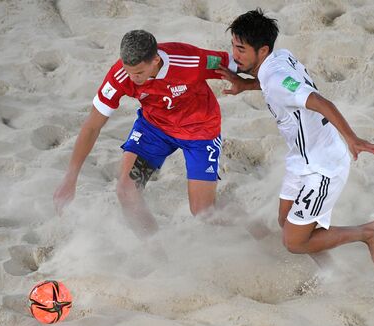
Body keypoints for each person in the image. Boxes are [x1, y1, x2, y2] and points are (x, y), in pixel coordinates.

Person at [217, 9, 374, 272]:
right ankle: (330, 272)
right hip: (301, 159)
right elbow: (278, 86)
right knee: (286, 221)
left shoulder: (275, 80)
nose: (234, 55)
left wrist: (353, 139)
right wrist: (244, 85)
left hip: (323, 166)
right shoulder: (280, 58)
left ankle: (368, 232)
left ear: (262, 51)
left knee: (294, 242)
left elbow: (320, 101)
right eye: (233, 46)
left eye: (241, 49)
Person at [54, 30, 237, 236]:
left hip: (199, 130)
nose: (133, 78)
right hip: (155, 129)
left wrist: (250, 83)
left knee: (203, 211)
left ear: (156, 60)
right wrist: (70, 178)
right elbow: (92, 126)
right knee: (126, 190)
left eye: (139, 73)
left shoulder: (190, 60)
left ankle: (248, 222)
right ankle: (156, 257)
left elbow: (239, 63)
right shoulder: (121, 76)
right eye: (128, 71)